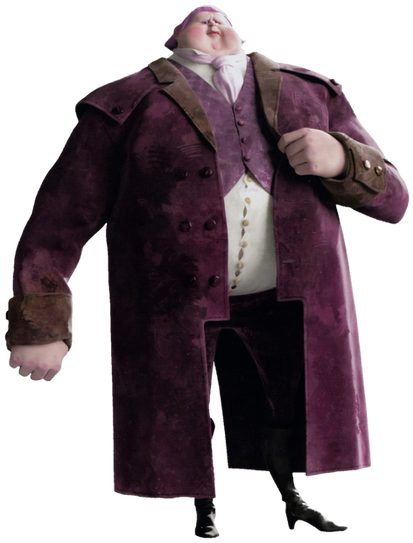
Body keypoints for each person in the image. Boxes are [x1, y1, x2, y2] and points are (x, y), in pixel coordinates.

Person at [3, 2, 411, 541]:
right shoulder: (123, 104)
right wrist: (40, 327)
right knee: (183, 406)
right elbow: (57, 220)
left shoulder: (313, 91)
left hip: (294, 295)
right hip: (171, 302)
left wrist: (342, 158)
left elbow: (396, 201)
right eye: (199, 16)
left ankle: (292, 494)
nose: (214, 18)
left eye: (225, 16)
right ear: (173, 36)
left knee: (290, 396)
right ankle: (203, 507)